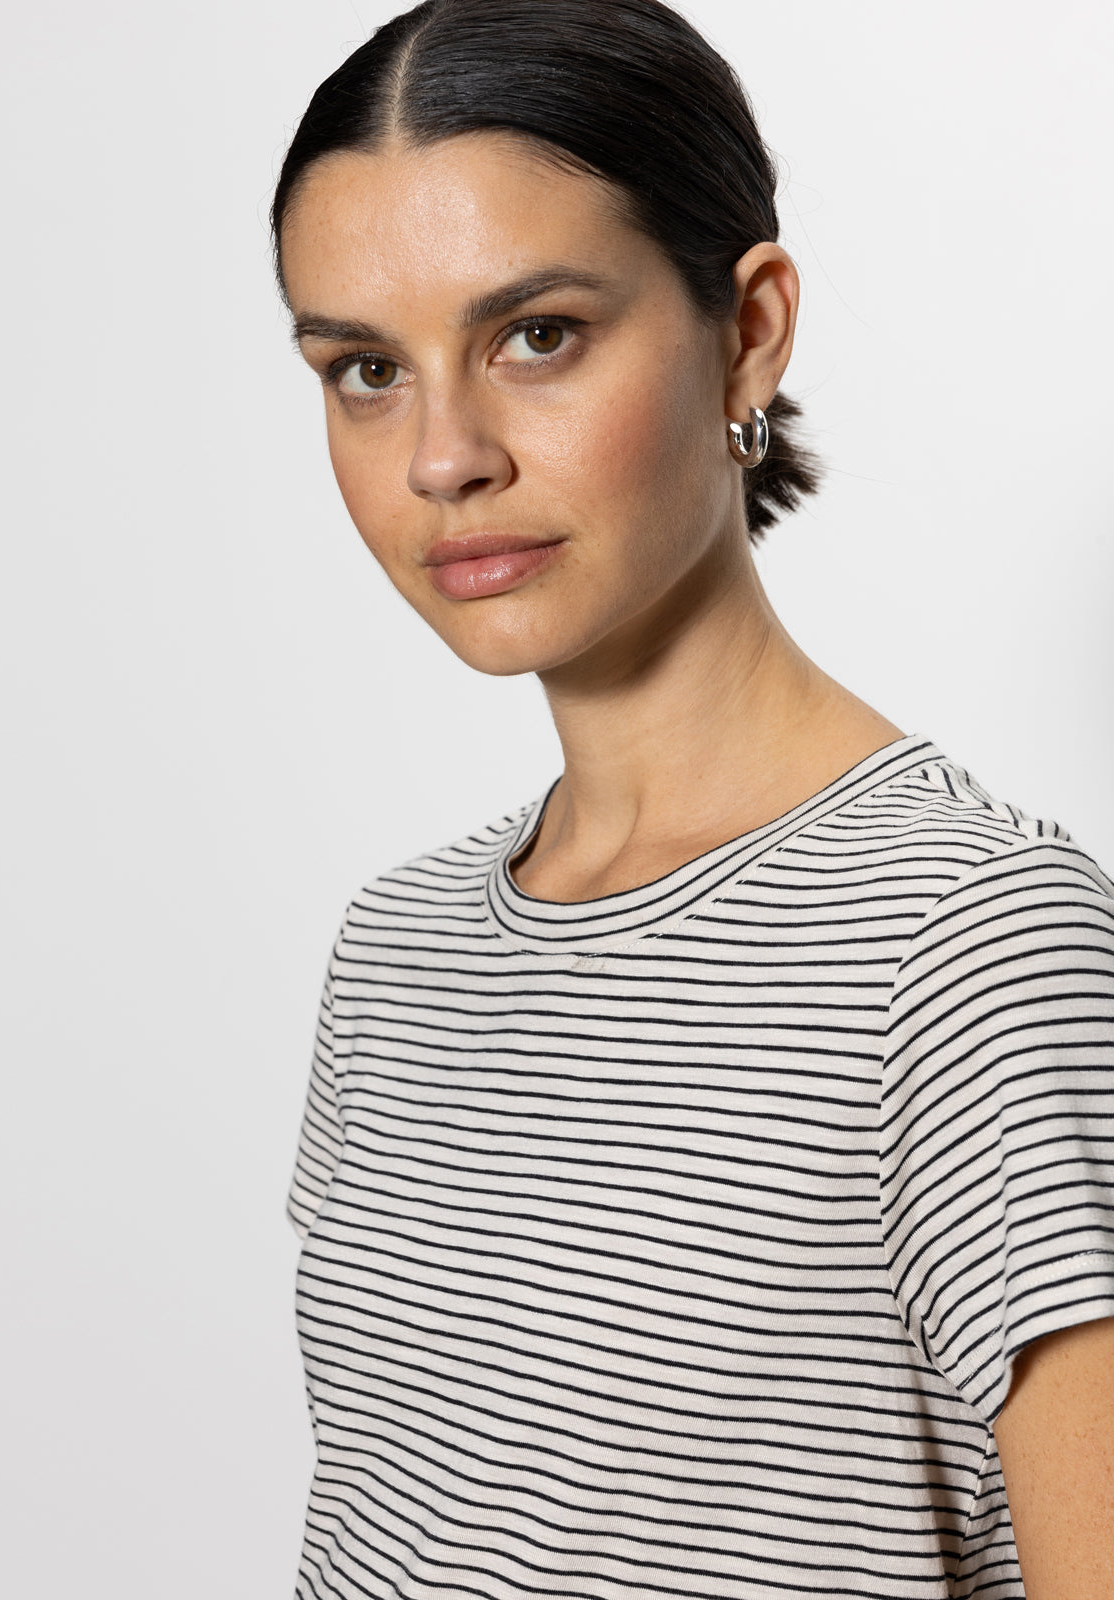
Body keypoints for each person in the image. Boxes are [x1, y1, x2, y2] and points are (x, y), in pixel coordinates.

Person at [270, 2, 1114, 1594]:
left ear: (750, 328)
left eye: (537, 333)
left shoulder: (976, 951)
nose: (444, 456)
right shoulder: (394, 957)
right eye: (366, 369)